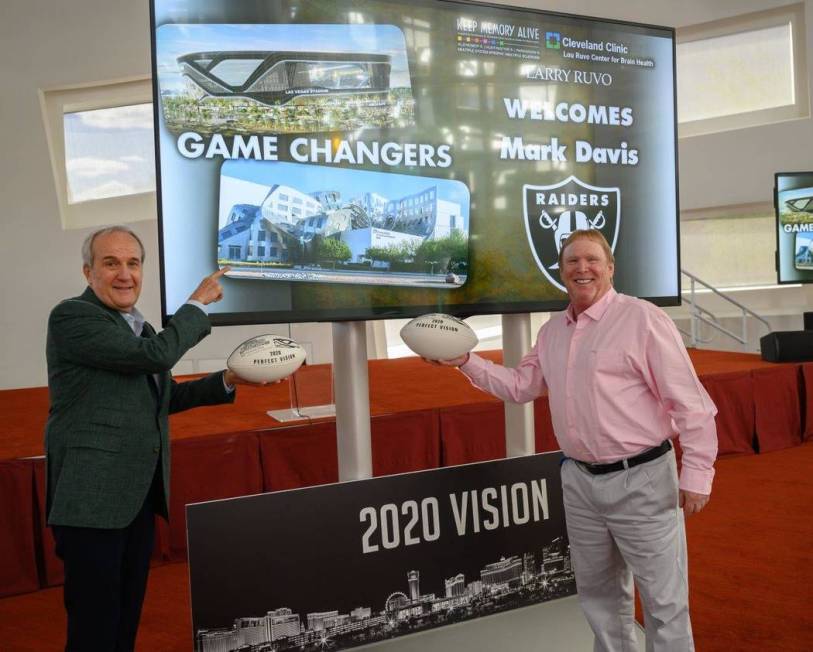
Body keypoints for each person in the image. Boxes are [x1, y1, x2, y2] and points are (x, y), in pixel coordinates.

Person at [432, 229, 718, 651]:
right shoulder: (553, 331)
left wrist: (697, 472)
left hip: (642, 479)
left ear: (610, 268)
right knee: (600, 597)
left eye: (591, 260)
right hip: (579, 483)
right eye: (572, 262)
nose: (582, 269)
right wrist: (466, 361)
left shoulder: (642, 319)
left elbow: (690, 402)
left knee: (663, 602)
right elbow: (520, 387)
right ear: (561, 271)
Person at [44, 225, 265, 651]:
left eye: (133, 263)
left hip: (136, 494)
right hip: (91, 501)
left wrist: (230, 378)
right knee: (94, 627)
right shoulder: (73, 316)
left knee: (125, 619)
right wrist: (195, 304)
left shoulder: (139, 330)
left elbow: (166, 396)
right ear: (88, 272)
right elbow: (158, 357)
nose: (125, 274)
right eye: (111, 263)